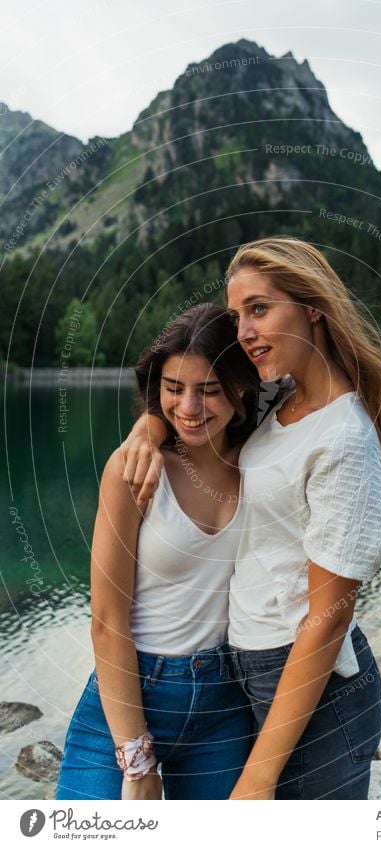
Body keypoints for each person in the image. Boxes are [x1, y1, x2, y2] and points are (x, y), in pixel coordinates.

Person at [123, 236, 381, 799]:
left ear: (313, 307)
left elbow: (328, 618)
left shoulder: (342, 437)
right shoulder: (279, 394)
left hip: (313, 688)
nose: (243, 332)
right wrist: (149, 427)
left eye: (259, 309)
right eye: (237, 315)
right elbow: (199, 412)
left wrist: (257, 779)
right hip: (249, 669)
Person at [56, 303, 260, 800]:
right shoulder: (134, 470)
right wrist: (136, 756)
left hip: (225, 703)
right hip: (129, 693)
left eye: (208, 390)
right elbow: (106, 619)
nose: (188, 408)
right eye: (173, 390)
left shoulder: (264, 460)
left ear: (241, 389)